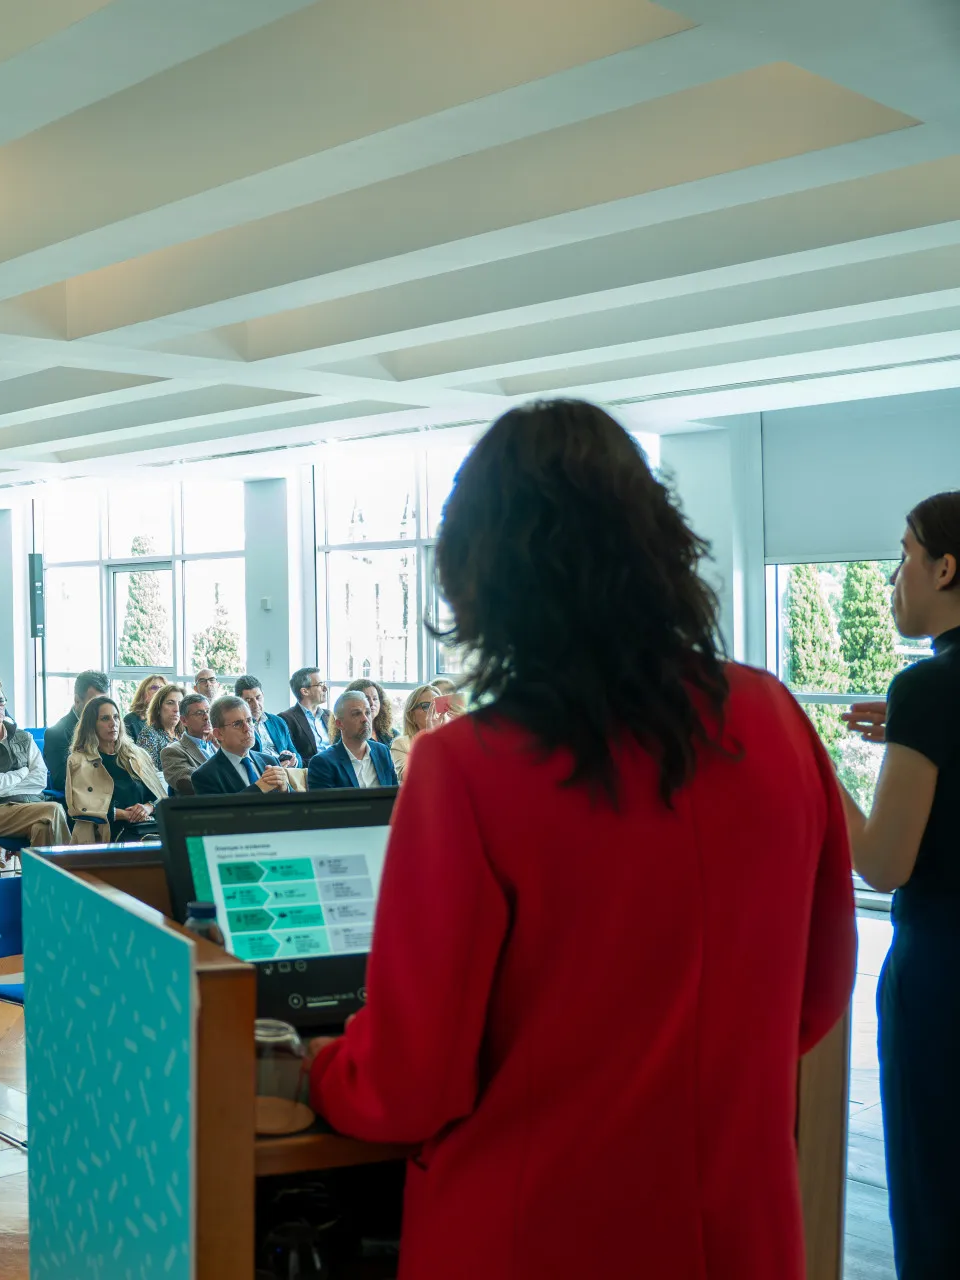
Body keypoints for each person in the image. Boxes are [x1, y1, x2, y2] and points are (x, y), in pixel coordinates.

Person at [305, 398, 856, 1280]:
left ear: (479, 575)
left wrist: (323, 1066)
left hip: (537, 1234)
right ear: (657, 543)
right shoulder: (780, 721)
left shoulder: (466, 769)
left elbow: (412, 1080)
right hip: (744, 1231)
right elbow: (817, 996)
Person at [833, 491, 960, 1277]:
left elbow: (883, 862)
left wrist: (811, 766)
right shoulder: (926, 700)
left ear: (947, 567)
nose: (893, 580)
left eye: (904, 558)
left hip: (944, 973)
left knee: (937, 1197)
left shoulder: (928, 689)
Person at [0, 682, 70, 847]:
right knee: (55, 809)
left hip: (34, 805)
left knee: (42, 829)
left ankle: (36, 874)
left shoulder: (24, 737)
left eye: (1, 701)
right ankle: (67, 870)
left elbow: (40, 780)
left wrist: (3, 786)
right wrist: (23, 772)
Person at [64, 696, 166, 842]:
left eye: (116, 717)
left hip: (146, 825)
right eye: (105, 719)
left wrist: (148, 808)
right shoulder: (78, 761)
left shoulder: (138, 754)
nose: (113, 724)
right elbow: (81, 805)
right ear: (92, 725)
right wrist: (125, 814)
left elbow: (160, 796)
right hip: (108, 829)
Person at [189, 695, 290, 795]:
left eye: (249, 720)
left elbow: (294, 805)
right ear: (219, 734)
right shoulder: (204, 776)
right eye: (237, 724)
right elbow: (221, 810)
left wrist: (286, 789)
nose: (247, 728)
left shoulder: (270, 761)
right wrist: (258, 788)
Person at [306, 690, 398, 790]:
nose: (365, 719)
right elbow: (325, 805)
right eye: (356, 714)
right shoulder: (323, 763)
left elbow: (395, 796)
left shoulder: (382, 752)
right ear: (339, 724)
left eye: (367, 713)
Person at [42, 670, 108, 795]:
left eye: (105, 702)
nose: (101, 709)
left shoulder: (111, 727)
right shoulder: (56, 734)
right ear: (77, 701)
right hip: (86, 800)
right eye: (94, 703)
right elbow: (61, 781)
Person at [159, 692, 217, 794]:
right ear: (184, 720)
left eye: (208, 711)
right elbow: (194, 785)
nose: (207, 717)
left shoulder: (220, 744)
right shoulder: (172, 751)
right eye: (199, 713)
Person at [235, 675, 297, 762]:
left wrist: (294, 761)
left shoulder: (278, 721)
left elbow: (296, 754)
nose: (256, 705)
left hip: (287, 770)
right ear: (239, 701)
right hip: (262, 772)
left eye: (258, 698)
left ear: (263, 695)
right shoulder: (239, 727)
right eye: (249, 700)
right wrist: (276, 766)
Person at [388, 684, 440, 782]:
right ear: (411, 715)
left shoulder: (451, 741)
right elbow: (408, 777)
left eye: (437, 705)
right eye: (426, 706)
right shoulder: (401, 744)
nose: (433, 710)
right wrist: (430, 738)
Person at [278, 667, 333, 760]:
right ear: (305, 691)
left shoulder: (329, 715)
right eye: (320, 685)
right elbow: (294, 759)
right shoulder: (286, 719)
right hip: (313, 770)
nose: (325, 688)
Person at [135, 681, 188, 760]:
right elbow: (147, 770)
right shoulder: (149, 735)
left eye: (180, 704)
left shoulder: (185, 733)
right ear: (158, 707)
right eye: (170, 703)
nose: (177, 709)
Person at [345, 677, 396, 745]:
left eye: (375, 699)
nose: (372, 703)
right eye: (366, 698)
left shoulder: (391, 734)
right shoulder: (349, 735)